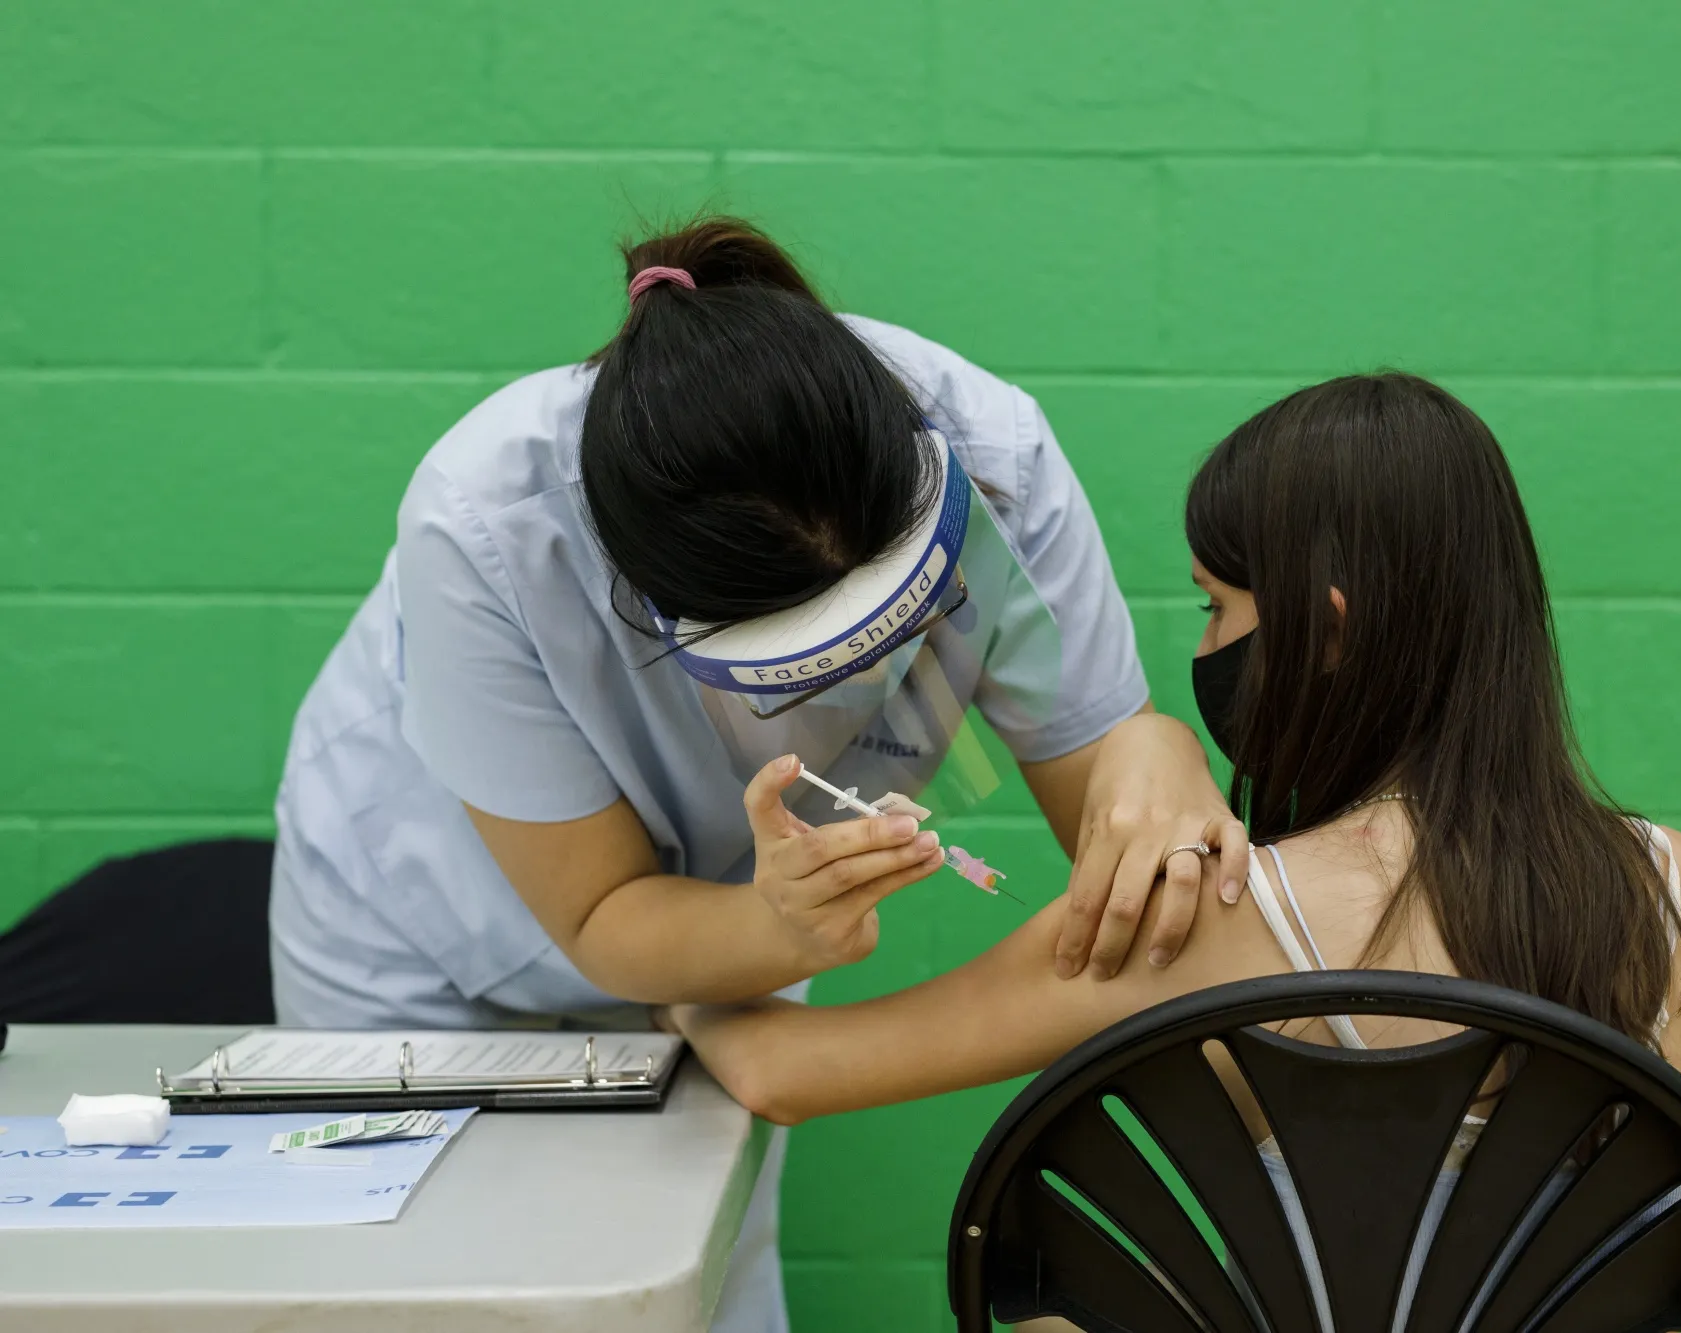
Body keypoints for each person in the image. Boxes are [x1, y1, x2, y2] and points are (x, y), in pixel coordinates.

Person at [267, 217, 1246, 1333]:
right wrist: (780, 938)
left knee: (692, 1281)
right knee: (409, 1299)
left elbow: (1126, 863)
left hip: (746, 930)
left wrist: (1151, 747)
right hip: (424, 933)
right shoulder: (487, 524)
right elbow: (602, 912)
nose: (884, 679)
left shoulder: (996, 456)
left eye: (907, 623)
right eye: (809, 666)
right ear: (640, 595)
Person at [669, 373, 1681, 1317]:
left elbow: (778, 1069)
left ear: (1324, 632)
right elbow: (1670, 1254)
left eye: (1214, 606)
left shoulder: (1205, 914)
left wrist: (645, 938)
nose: (1204, 646)